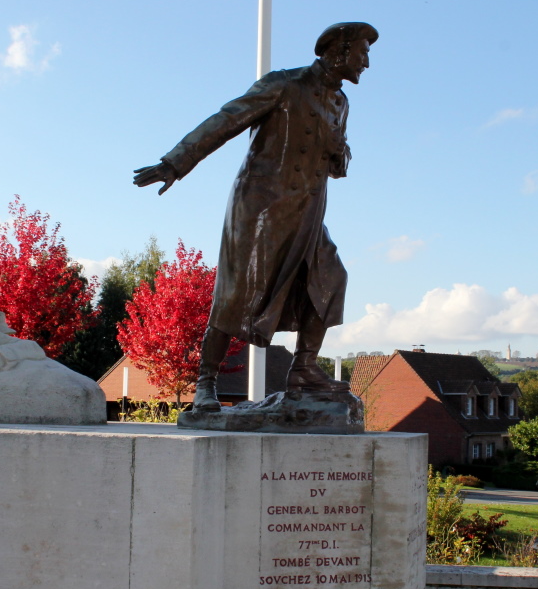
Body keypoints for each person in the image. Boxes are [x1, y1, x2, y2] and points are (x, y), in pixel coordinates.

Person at [133, 22, 377, 412]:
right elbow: (227, 120)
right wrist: (176, 162)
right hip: (261, 206)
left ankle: (304, 367)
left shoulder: (341, 103)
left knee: (331, 278)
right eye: (362, 52)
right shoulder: (284, 84)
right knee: (237, 292)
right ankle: (206, 383)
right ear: (339, 51)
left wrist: (338, 152)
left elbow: (337, 164)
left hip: (309, 209)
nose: (367, 62)